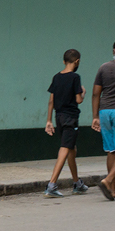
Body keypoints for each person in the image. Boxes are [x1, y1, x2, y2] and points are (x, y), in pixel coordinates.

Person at [43, 49, 89, 197]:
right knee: (65, 148)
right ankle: (51, 185)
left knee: (71, 149)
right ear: (77, 62)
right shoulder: (75, 77)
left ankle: (77, 183)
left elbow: (51, 100)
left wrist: (49, 120)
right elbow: (78, 100)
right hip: (71, 118)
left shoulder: (56, 77)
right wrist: (83, 92)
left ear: (64, 61)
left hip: (59, 117)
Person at [91, 37, 115, 200]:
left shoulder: (103, 67)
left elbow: (96, 93)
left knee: (112, 150)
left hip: (105, 112)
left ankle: (114, 190)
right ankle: (108, 180)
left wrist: (95, 116)